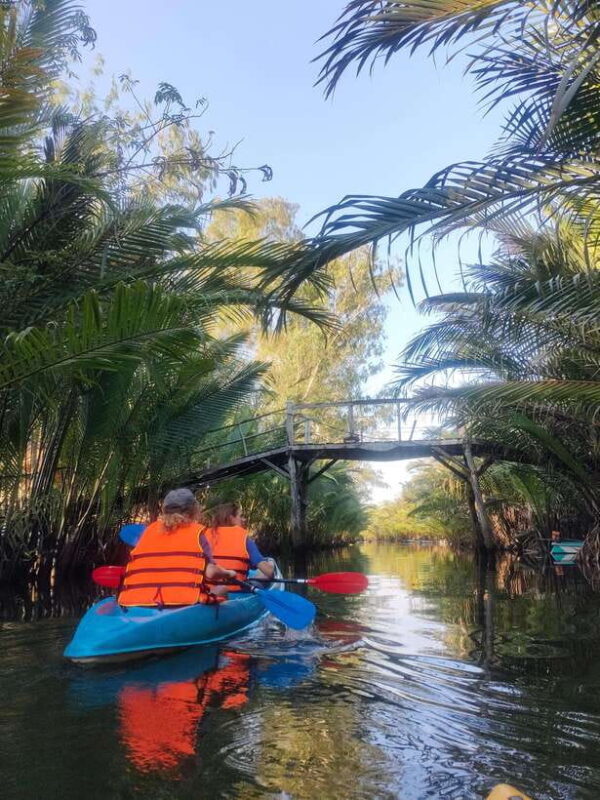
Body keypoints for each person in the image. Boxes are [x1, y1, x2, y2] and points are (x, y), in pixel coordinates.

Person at [118, 488, 236, 608]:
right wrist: (229, 573)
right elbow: (211, 573)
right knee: (222, 590)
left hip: (140, 602)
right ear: (194, 510)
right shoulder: (196, 533)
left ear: (164, 510)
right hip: (183, 603)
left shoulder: (148, 532)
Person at [201, 501, 274, 597]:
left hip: (209, 592)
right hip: (236, 593)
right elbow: (268, 572)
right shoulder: (243, 539)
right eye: (240, 516)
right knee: (264, 573)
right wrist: (272, 564)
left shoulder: (204, 536)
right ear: (231, 518)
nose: (243, 519)